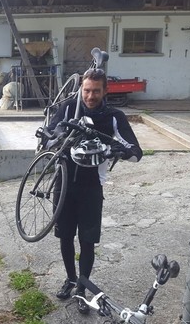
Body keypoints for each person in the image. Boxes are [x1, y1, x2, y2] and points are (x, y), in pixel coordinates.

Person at [47, 68, 142, 314]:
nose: (90, 96)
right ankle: (70, 279)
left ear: (105, 91)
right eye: (86, 90)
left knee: (87, 241)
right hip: (64, 183)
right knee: (65, 236)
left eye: (95, 91)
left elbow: (136, 151)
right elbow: (49, 134)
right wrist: (58, 135)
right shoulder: (69, 107)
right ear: (81, 88)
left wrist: (120, 150)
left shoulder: (113, 116)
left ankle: (82, 288)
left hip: (91, 187)